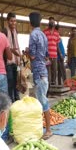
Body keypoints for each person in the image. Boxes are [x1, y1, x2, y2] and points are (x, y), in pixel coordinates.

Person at [28, 12, 52, 140]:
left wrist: (27, 52)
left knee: (43, 101)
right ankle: (43, 128)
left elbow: (32, 55)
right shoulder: (43, 35)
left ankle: (48, 130)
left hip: (38, 71)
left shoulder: (33, 35)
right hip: (44, 71)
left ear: (30, 22)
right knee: (42, 100)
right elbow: (47, 55)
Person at [4, 12, 21, 102]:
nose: (13, 23)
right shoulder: (5, 31)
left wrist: (18, 56)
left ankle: (17, 100)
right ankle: (11, 101)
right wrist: (11, 50)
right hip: (8, 62)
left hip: (15, 61)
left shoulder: (15, 31)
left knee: (16, 82)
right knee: (10, 83)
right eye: (11, 21)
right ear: (7, 21)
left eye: (15, 21)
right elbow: (3, 46)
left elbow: (17, 45)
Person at [43, 17, 61, 85]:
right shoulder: (44, 32)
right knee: (48, 71)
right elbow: (43, 44)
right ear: (48, 23)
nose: (51, 23)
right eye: (50, 22)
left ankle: (53, 84)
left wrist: (60, 55)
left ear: (54, 23)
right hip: (47, 56)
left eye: (53, 22)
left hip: (55, 56)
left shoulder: (57, 33)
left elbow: (57, 45)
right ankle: (48, 86)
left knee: (54, 71)